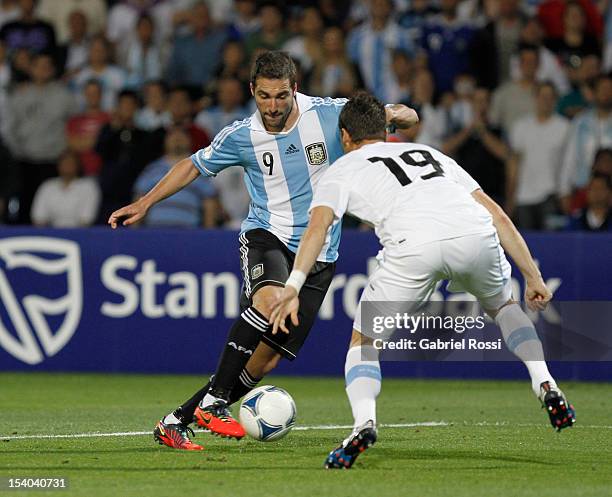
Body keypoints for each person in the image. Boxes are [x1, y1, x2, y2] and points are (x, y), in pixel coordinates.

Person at [108, 51, 418, 451]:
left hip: (321, 254)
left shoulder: (330, 115)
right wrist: (146, 202)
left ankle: (175, 421)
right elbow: (192, 165)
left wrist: (398, 114)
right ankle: (216, 402)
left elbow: (398, 116)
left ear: (295, 89)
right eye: (265, 96)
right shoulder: (240, 135)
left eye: (281, 96)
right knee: (270, 301)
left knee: (262, 363)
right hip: (267, 235)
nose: (273, 106)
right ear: (253, 91)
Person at [270, 92, 576, 470]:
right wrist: (533, 275)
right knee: (504, 306)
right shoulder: (430, 153)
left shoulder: (341, 169)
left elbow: (317, 228)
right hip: (474, 234)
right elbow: (496, 213)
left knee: (365, 340)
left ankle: (364, 422)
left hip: (413, 246)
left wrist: (294, 285)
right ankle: (545, 382)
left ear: (345, 136)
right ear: (385, 130)